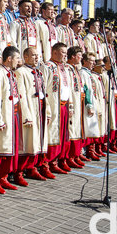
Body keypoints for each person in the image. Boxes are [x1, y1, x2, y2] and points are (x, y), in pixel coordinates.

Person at [0, 46, 22, 193]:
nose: (18, 61)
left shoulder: (10, 74)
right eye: (17, 58)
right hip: (3, 116)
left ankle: (4, 177)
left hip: (12, 114)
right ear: (9, 59)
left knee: (9, 148)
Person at [15, 47, 48, 181]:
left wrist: (48, 110)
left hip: (39, 108)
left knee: (37, 140)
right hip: (29, 109)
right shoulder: (20, 72)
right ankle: (19, 172)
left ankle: (33, 167)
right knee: (28, 141)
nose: (36, 58)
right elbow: (21, 95)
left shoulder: (38, 72)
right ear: (25, 57)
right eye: (33, 55)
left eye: (37, 55)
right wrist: (26, 114)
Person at [41, 42, 73, 175]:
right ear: (54, 52)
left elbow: (68, 87)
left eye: (66, 53)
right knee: (51, 134)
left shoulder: (65, 68)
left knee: (62, 135)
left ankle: (56, 161)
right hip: (53, 106)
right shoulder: (47, 66)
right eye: (63, 52)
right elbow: (43, 88)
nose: (65, 55)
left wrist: (70, 105)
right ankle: (45, 165)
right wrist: (47, 108)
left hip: (64, 105)